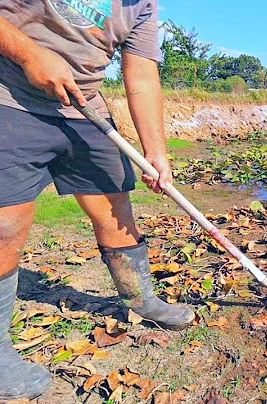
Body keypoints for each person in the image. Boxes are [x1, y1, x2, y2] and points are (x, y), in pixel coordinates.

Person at [0, 1, 196, 400]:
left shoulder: (142, 6)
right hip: (9, 97)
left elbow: (141, 73)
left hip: (84, 108)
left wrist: (156, 150)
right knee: (5, 226)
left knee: (116, 210)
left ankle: (140, 299)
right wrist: (28, 52)